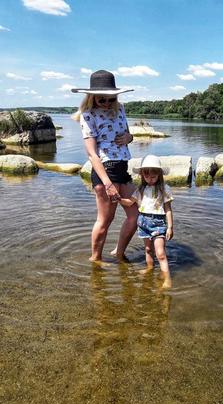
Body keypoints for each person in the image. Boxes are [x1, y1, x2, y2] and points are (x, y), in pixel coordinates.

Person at [72, 69, 138, 264]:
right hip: (105, 171)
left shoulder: (120, 108)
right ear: (92, 98)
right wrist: (108, 183)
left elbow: (127, 135)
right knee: (105, 220)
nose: (107, 103)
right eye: (102, 100)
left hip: (123, 169)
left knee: (136, 216)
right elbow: (92, 154)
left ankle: (119, 252)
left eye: (111, 99)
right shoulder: (88, 114)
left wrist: (130, 137)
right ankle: (95, 261)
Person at [119, 155, 174, 288]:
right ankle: (150, 269)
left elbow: (168, 209)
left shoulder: (164, 189)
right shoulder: (140, 189)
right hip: (143, 222)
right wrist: (118, 198)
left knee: (160, 253)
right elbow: (129, 202)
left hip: (159, 223)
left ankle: (167, 278)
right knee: (148, 249)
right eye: (147, 176)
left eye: (153, 176)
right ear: (142, 175)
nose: (150, 179)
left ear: (159, 175)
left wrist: (170, 227)